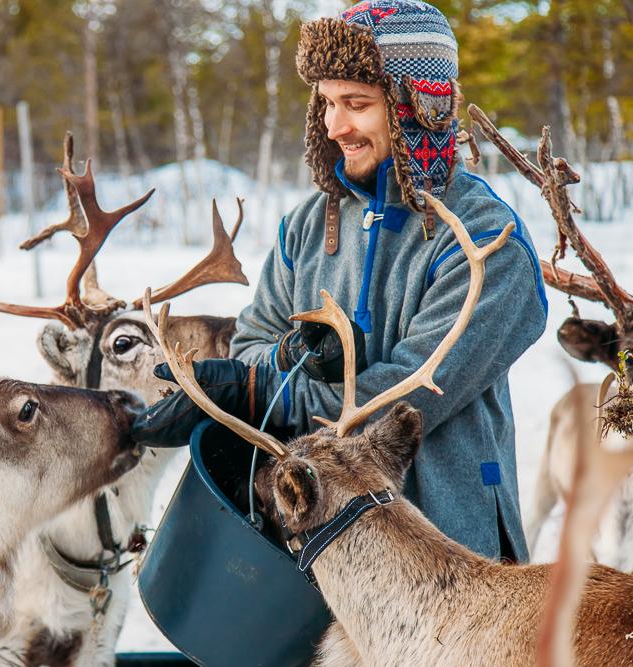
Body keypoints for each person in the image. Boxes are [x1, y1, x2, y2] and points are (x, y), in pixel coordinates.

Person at [130, 0, 547, 562]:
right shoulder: (307, 225)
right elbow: (254, 341)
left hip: (448, 551)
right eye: (326, 103)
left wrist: (259, 390)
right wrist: (287, 355)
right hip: (317, 547)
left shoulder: (486, 244)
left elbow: (410, 401)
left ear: (417, 107)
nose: (334, 126)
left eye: (357, 104)